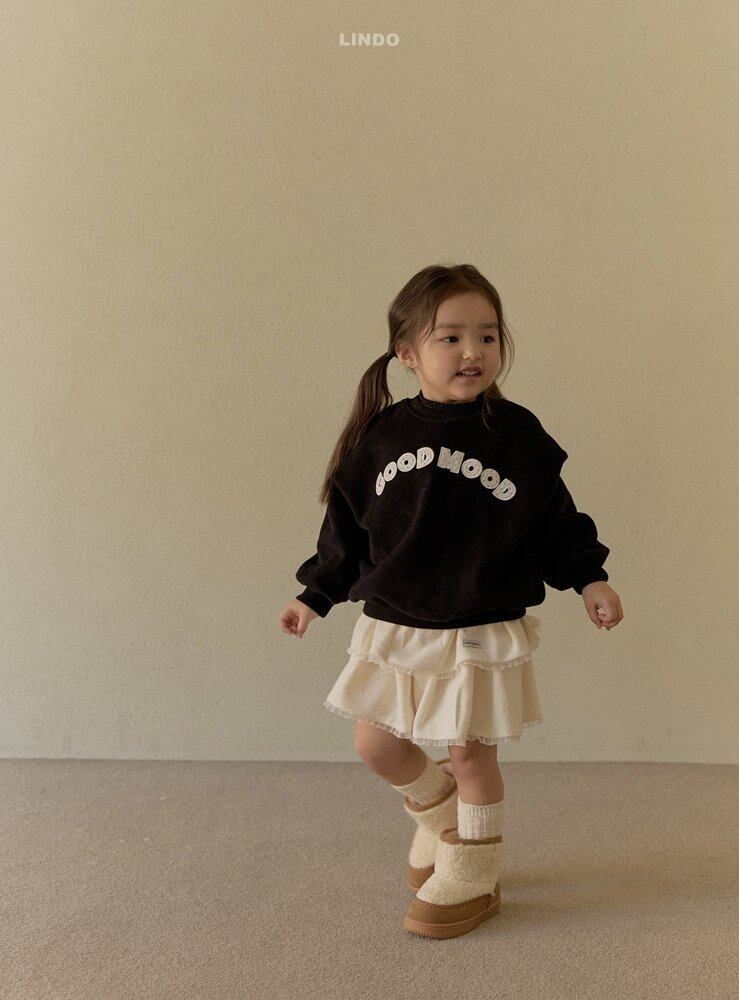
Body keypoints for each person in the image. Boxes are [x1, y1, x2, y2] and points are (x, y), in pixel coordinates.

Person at [277, 263, 623, 939]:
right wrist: (313, 595)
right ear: (407, 352)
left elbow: (556, 522)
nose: (473, 352)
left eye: (487, 336)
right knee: (375, 744)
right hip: (397, 621)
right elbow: (345, 532)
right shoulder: (379, 436)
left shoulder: (516, 435)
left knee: (470, 754)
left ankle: (475, 868)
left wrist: (590, 579)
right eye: (451, 337)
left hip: (478, 623)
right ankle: (441, 820)